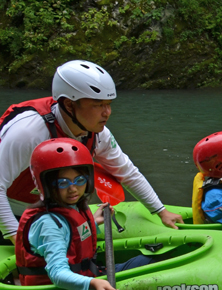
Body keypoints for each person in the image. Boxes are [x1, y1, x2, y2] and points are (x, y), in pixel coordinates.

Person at [0, 60, 183, 243]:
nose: (107, 112)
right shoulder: (28, 132)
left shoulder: (97, 134)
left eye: (109, 104)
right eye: (98, 105)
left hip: (54, 210)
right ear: (69, 105)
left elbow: (127, 173)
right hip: (12, 212)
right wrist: (16, 237)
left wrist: (161, 211)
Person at [15, 138, 155, 290]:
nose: (73, 188)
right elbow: (57, 273)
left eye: (79, 180)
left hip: (88, 275)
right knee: (149, 265)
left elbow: (71, 239)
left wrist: (93, 222)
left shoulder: (73, 207)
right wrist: (93, 283)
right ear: (46, 185)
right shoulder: (49, 224)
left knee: (150, 260)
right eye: (63, 183)